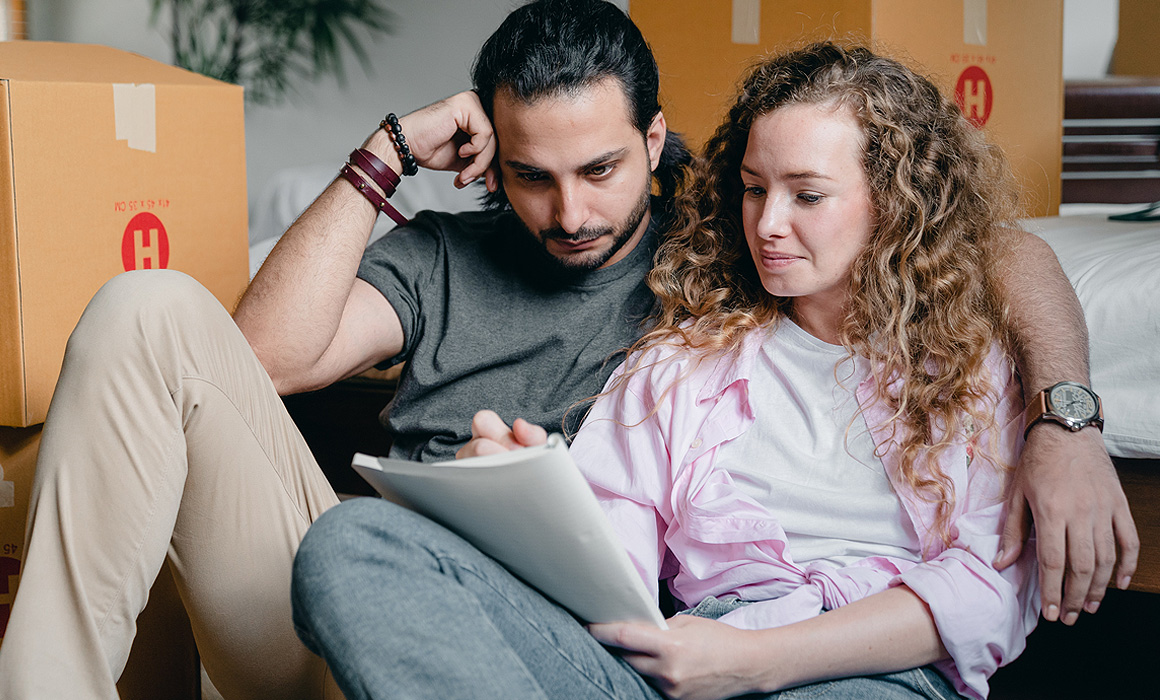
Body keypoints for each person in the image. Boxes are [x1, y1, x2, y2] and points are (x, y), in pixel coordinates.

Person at [0, 0, 1133, 696]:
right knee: (152, 311)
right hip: (397, 603)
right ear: (492, 160)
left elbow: (990, 248)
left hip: (571, 642)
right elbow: (258, 361)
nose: (571, 211)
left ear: (655, 141)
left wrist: (1066, 416)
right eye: (532, 176)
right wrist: (386, 153)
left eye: (599, 170)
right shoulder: (459, 257)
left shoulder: (725, 236)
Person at [291, 42, 1041, 700]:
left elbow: (988, 595)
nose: (769, 224)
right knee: (352, 540)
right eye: (754, 188)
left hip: (862, 672)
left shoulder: (974, 365)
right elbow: (610, 570)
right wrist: (529, 507)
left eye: (807, 195)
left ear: (897, 203)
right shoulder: (682, 358)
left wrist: (753, 661)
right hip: (669, 665)